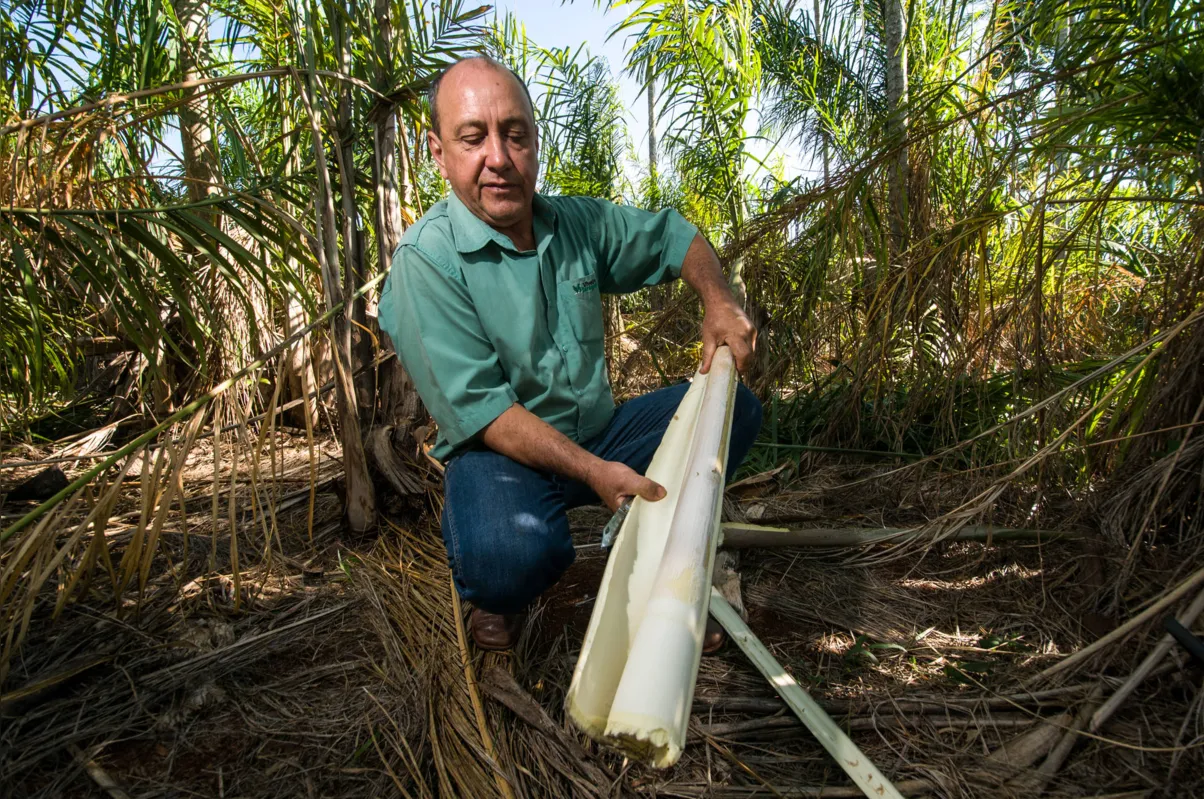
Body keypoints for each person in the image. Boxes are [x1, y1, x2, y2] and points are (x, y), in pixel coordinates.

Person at [378, 56, 762, 650]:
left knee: (736, 409)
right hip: (503, 457)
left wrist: (718, 298)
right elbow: (486, 414)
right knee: (509, 557)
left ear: (536, 141)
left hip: (602, 435)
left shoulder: (572, 223)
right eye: (473, 138)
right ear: (438, 151)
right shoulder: (426, 262)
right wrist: (593, 472)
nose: (499, 158)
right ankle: (495, 600)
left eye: (515, 134)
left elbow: (671, 237)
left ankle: (666, 562)